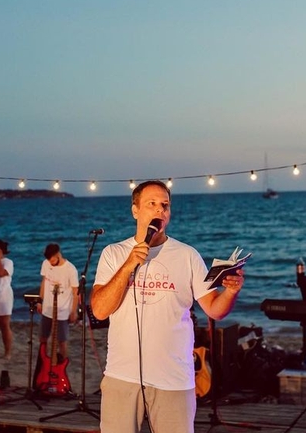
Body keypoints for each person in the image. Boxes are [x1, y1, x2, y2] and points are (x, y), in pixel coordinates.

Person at [90, 180, 245, 433]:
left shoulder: (188, 256)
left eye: (165, 205)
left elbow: (215, 309)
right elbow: (99, 310)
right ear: (135, 210)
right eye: (151, 204)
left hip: (173, 379)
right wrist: (128, 265)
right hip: (122, 376)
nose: (160, 210)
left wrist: (231, 291)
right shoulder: (114, 253)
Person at [38, 243, 78, 360]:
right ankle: (43, 362)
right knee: (43, 338)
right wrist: (40, 301)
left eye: (52, 260)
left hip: (62, 311)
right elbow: (44, 282)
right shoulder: (46, 264)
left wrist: (73, 311)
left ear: (58, 255)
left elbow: (76, 292)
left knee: (61, 340)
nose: (50, 263)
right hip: (47, 309)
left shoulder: (70, 269)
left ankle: (62, 367)